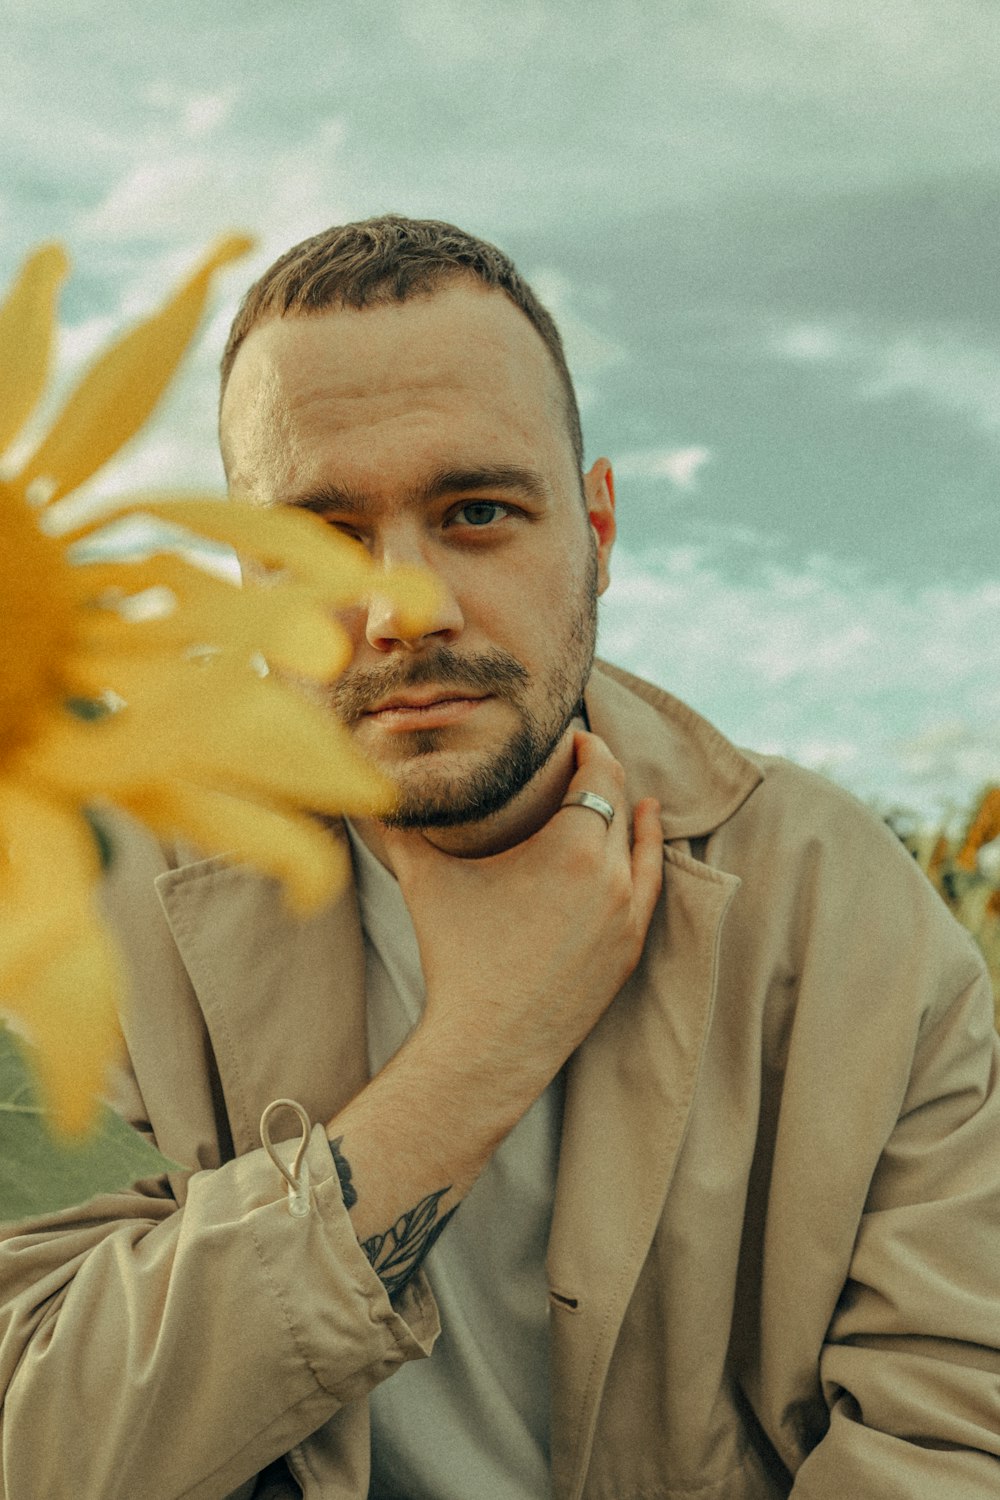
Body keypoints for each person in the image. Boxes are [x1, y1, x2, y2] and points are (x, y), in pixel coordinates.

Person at [1, 217, 999, 1500]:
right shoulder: (80, 905)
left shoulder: (840, 912)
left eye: (477, 511)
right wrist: (478, 1054)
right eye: (324, 536)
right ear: (248, 575)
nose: (404, 606)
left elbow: (952, 1435)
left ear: (595, 529)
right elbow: (35, 1439)